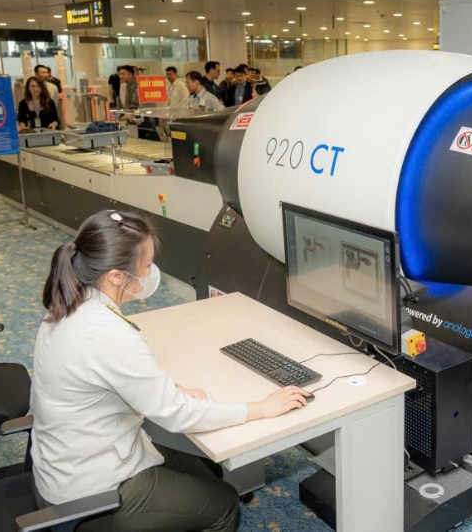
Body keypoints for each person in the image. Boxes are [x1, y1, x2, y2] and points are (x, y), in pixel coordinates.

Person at [30, 210, 310, 531]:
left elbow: (101, 378)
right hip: (92, 493)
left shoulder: (69, 304)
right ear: (116, 276)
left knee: (207, 469)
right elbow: (177, 415)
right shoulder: (108, 332)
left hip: (66, 464)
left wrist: (168, 391)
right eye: (146, 264)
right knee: (223, 502)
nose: (150, 273)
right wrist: (259, 408)